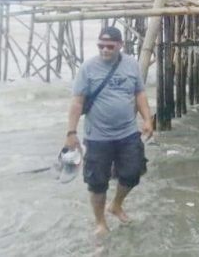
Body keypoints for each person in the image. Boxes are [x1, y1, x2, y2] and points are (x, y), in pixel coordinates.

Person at [65, 26, 153, 236]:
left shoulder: (131, 64)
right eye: (101, 46)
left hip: (128, 132)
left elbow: (139, 94)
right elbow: (77, 103)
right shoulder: (88, 68)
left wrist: (148, 119)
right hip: (98, 136)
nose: (105, 50)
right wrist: (71, 132)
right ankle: (100, 222)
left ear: (120, 45)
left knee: (133, 174)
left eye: (110, 46)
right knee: (97, 182)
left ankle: (116, 205)